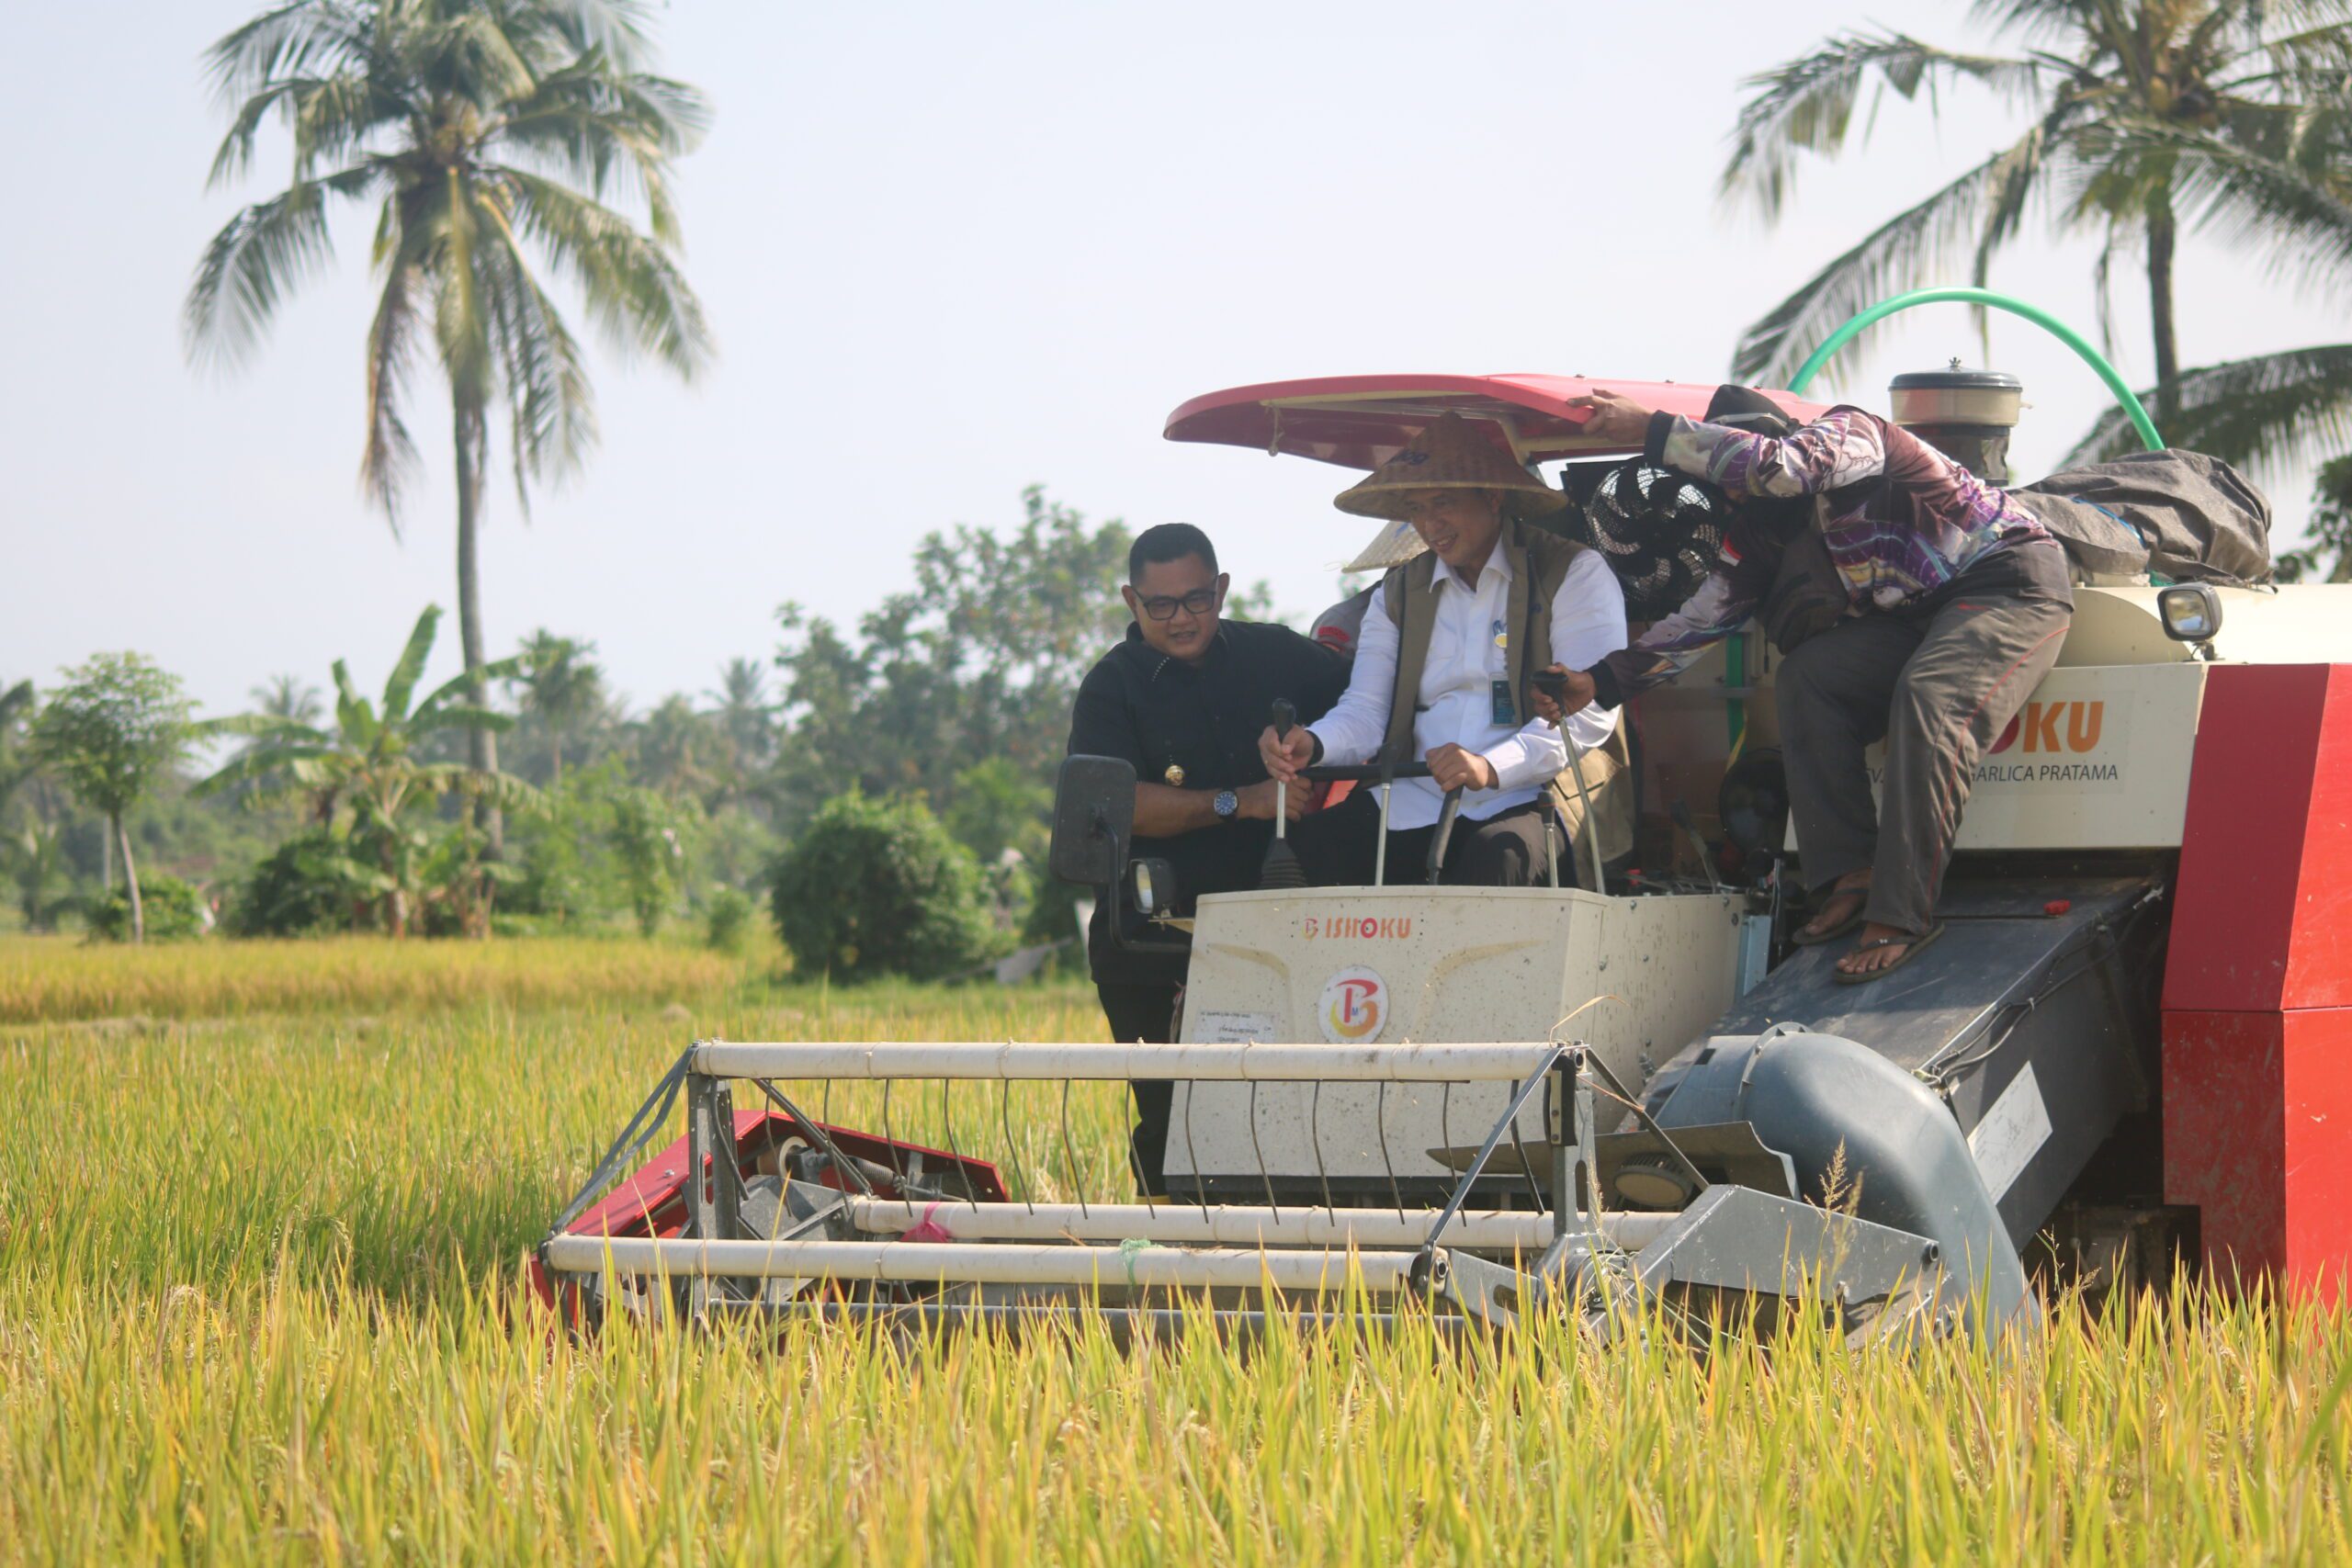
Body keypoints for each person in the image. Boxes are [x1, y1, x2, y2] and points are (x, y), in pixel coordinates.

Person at [1531, 385, 2073, 983]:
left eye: (1731, 466)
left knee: (1930, 696)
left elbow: (1779, 469)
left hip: (2005, 584)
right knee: (1809, 680)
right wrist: (1597, 680)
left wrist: (1656, 430)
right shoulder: (1762, 536)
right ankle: (1849, 873)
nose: (1735, 490)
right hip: (1917, 617)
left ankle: (1900, 914)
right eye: (1724, 483)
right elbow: (1698, 623)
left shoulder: (1855, 436)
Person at [1066, 522, 1350, 1191]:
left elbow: (1370, 702)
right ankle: (1173, 1274)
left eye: (1196, 599)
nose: (1181, 618)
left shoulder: (1279, 655)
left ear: (1221, 589)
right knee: (1173, 1130)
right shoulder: (1111, 686)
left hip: (1278, 940)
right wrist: (1238, 801)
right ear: (1131, 601)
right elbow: (1112, 805)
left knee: (1288, 1120)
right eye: (1160, 605)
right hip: (1151, 941)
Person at [1260, 412, 1626, 886]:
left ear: (1493, 497)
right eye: (1416, 507)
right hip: (1414, 796)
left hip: (1534, 794)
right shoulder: (1397, 592)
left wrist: (1490, 767)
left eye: (1443, 502)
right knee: (1317, 847)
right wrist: (1314, 743)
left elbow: (1589, 713)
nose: (1429, 524)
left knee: (1498, 857)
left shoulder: (1573, 571)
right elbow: (1367, 710)